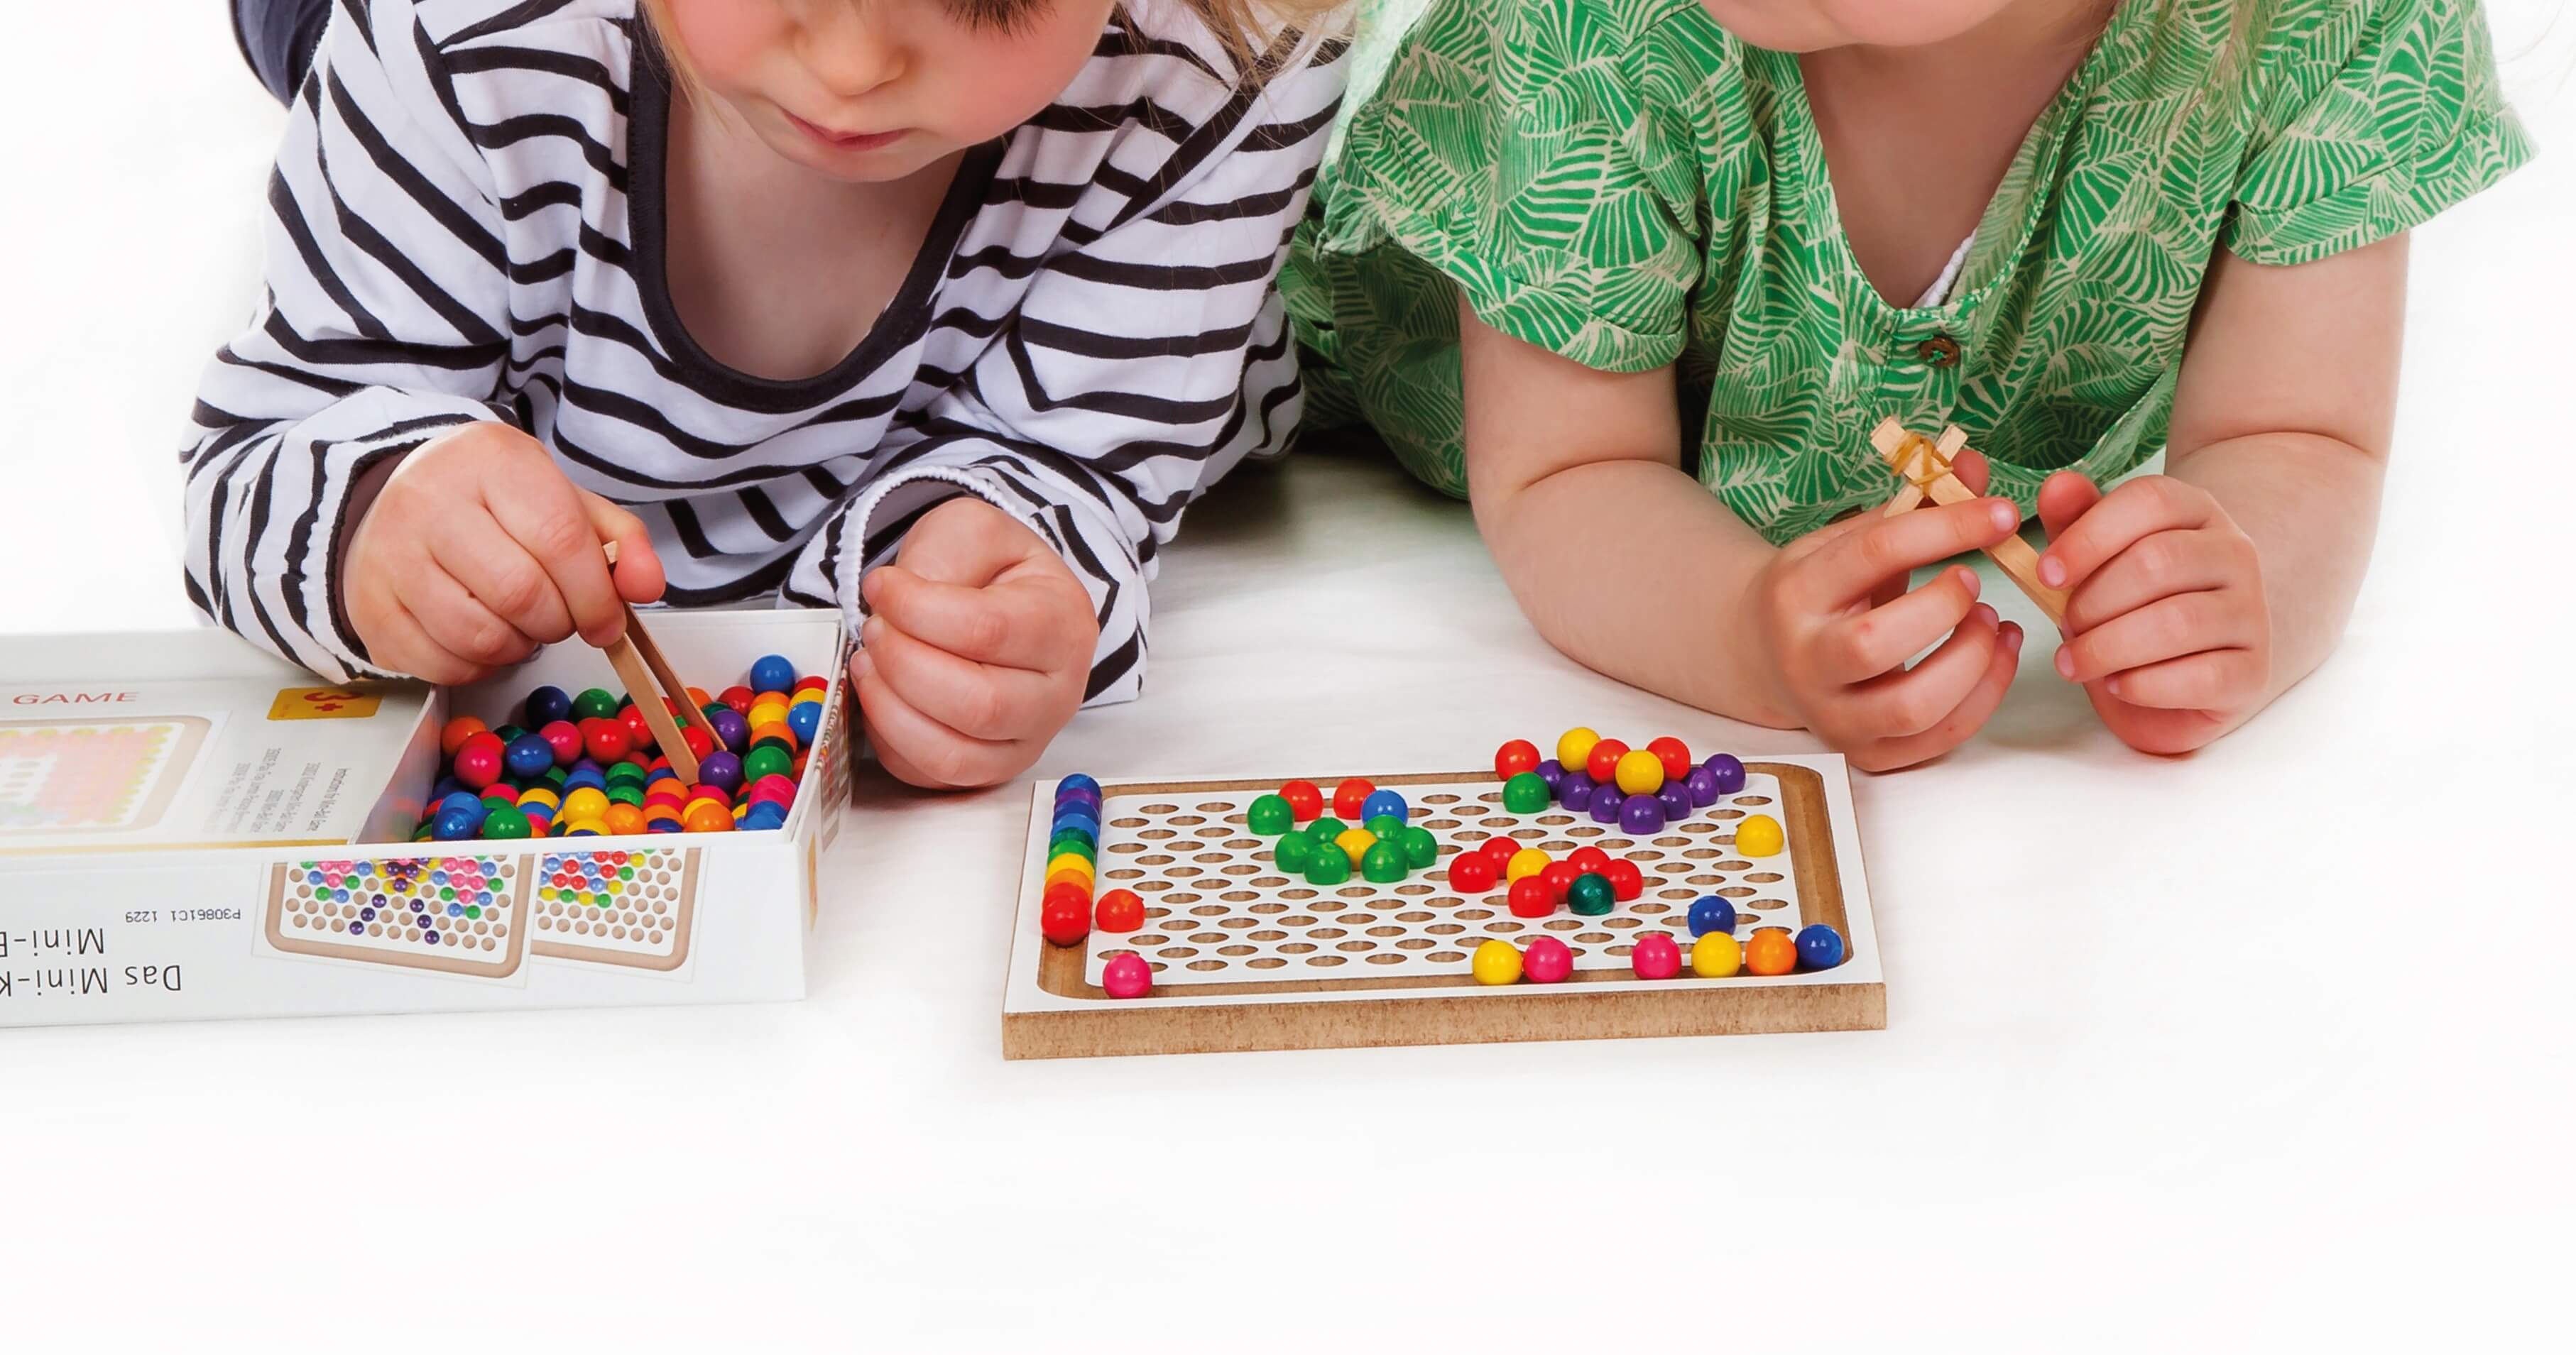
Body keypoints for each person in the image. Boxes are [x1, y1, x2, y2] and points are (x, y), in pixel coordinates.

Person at [1289, 0, 2530, 767]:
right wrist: (1745, 636)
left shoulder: (2326, 22)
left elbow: (2300, 432)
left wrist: (2232, 590)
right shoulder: (1577, 29)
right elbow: (1570, 470)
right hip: (1388, 369)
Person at [195, 0, 1347, 787]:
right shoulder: (457, 38)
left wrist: (997, 570)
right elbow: (261, 458)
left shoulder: (1224, 56)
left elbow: (1084, 469)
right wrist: (377, 513)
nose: (853, 67)